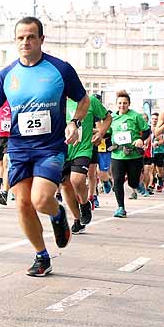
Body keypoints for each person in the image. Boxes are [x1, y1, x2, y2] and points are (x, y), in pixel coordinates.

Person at [0, 16, 88, 277]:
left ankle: (58, 213)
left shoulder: (60, 69)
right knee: (23, 204)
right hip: (18, 147)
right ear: (15, 41)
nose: (25, 42)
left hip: (50, 147)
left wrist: (74, 122)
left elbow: (83, 100)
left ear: (41, 39)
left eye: (31, 37)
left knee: (41, 200)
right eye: (20, 37)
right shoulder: (6, 75)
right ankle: (42, 256)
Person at [60, 89, 109, 232]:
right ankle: (77, 219)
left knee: (77, 180)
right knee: (65, 185)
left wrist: (100, 133)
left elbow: (107, 118)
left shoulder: (89, 100)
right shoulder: (56, 101)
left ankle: (84, 203)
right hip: (62, 150)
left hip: (83, 149)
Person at [107, 91, 150, 218]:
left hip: (134, 155)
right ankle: (121, 208)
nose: (122, 105)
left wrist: (140, 140)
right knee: (118, 181)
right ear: (116, 104)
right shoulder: (112, 118)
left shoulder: (135, 116)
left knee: (133, 182)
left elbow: (147, 131)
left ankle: (137, 185)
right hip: (117, 154)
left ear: (129, 104)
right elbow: (107, 133)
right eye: (120, 103)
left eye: (125, 103)